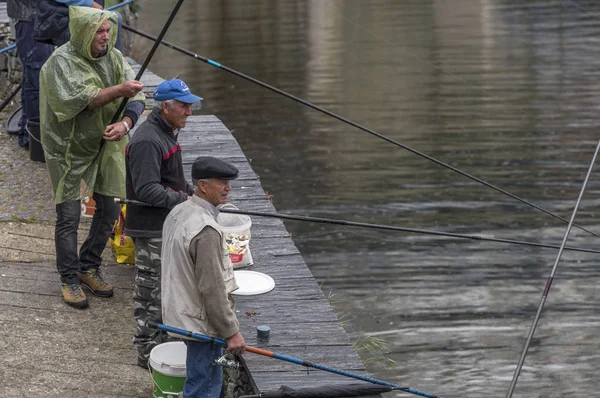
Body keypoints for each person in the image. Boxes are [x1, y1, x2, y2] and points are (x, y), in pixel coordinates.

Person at [39, 6, 145, 309]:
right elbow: (86, 98)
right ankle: (69, 277)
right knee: (69, 216)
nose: (106, 36)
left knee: (110, 209)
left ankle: (89, 265)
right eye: (99, 31)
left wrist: (125, 123)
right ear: (84, 32)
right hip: (68, 149)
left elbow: (136, 95)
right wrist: (120, 90)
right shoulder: (61, 62)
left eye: (108, 30)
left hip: (107, 142)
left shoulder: (114, 57)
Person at [125, 78, 202, 368]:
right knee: (151, 293)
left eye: (190, 106)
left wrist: (196, 194)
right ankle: (147, 354)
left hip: (165, 226)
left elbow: (169, 179)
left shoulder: (166, 131)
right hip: (150, 230)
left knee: (166, 290)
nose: (189, 113)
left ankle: (161, 347)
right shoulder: (148, 139)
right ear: (166, 107)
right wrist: (186, 200)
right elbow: (146, 189)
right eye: (184, 106)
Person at [162, 156, 246, 397]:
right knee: (203, 388)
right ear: (202, 185)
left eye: (229, 182)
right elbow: (213, 289)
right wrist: (231, 332)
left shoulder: (180, 210)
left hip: (181, 314)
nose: (228, 188)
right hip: (202, 324)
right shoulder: (206, 230)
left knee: (199, 380)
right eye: (222, 182)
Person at [7, 0, 54, 148]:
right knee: (37, 81)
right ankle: (33, 138)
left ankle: (27, 133)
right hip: (30, 19)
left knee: (33, 78)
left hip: (35, 17)